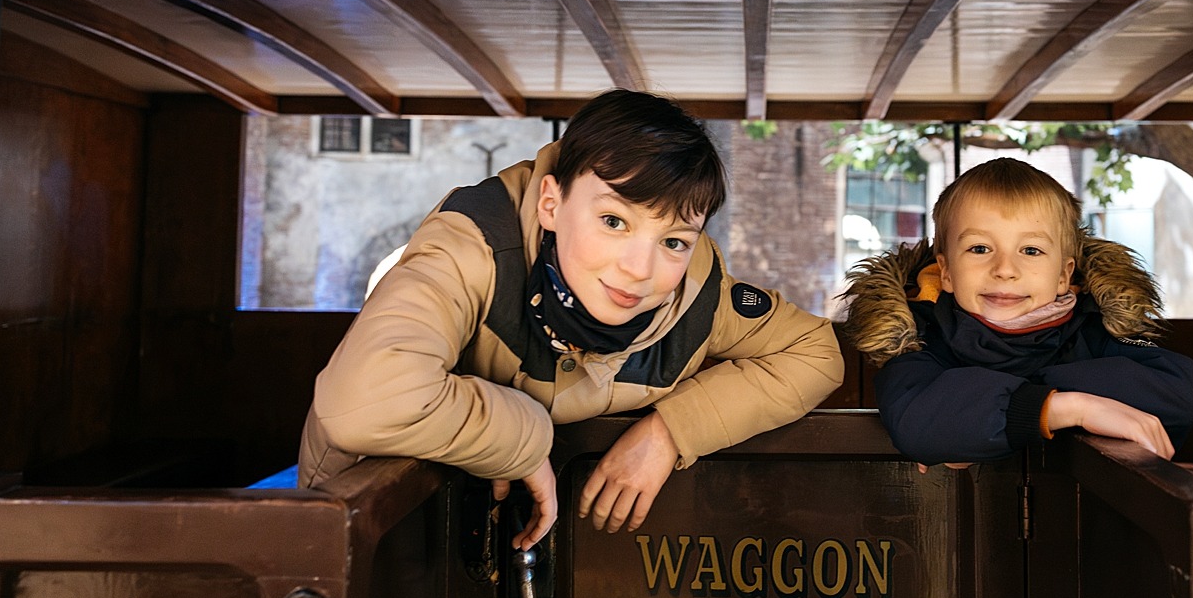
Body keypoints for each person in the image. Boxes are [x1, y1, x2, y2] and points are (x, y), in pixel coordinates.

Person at [298, 90, 844, 550]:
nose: (638, 269)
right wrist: (525, 434)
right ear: (551, 205)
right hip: (354, 539)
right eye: (613, 221)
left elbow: (816, 352)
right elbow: (366, 403)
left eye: (673, 240)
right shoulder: (472, 248)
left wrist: (671, 432)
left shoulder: (697, 299)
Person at [839, 158, 1193, 467]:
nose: (1005, 269)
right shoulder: (921, 339)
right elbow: (917, 421)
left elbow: (1174, 398)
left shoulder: (1094, 327)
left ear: (1063, 275)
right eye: (980, 248)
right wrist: (1069, 410)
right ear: (945, 272)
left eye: (1031, 250)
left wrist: (1010, 410)